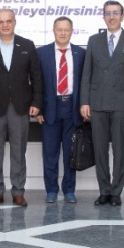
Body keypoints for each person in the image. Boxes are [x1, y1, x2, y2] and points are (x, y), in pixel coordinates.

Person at [0, 8, 42, 206]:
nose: (5, 25)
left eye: (8, 21)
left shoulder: (27, 45)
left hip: (20, 107)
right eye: (1, 21)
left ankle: (18, 191)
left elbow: (36, 76)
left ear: (14, 22)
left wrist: (36, 102)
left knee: (19, 151)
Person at [80, 0, 124, 206]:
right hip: (97, 103)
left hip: (121, 104)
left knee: (119, 150)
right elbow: (86, 74)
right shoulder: (94, 41)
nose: (112, 17)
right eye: (108, 13)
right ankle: (104, 190)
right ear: (103, 17)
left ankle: (116, 191)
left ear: (122, 17)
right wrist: (84, 101)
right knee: (100, 150)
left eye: (116, 13)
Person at [37, 16, 85, 204]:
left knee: (70, 153)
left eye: (66, 29)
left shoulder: (81, 54)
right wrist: (38, 109)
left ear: (71, 31)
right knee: (50, 153)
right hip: (50, 107)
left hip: (72, 108)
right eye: (59, 29)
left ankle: (69, 190)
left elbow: (85, 83)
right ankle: (51, 190)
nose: (63, 33)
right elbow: (37, 83)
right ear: (54, 31)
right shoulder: (41, 53)